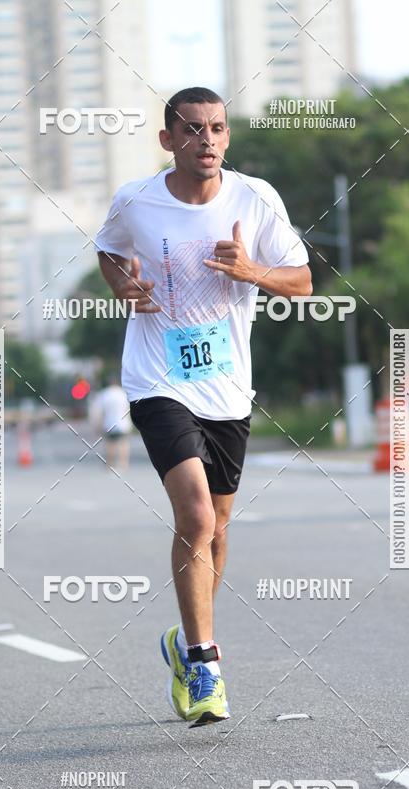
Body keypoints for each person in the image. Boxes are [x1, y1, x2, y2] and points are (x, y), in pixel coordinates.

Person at [94, 86, 312, 727]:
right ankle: (206, 662)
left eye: (217, 129)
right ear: (168, 139)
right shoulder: (137, 199)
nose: (207, 141)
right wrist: (123, 284)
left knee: (217, 527)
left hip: (225, 384)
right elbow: (108, 250)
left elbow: (302, 281)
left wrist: (253, 273)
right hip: (157, 378)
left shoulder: (256, 197)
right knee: (193, 514)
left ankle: (183, 643)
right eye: (191, 130)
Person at [88, 374, 131, 470]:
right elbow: (129, 409)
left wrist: (96, 425)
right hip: (123, 423)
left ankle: (110, 464)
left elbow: (97, 411)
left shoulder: (104, 394)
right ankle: (123, 463)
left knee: (110, 444)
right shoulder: (123, 393)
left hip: (109, 423)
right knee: (123, 443)